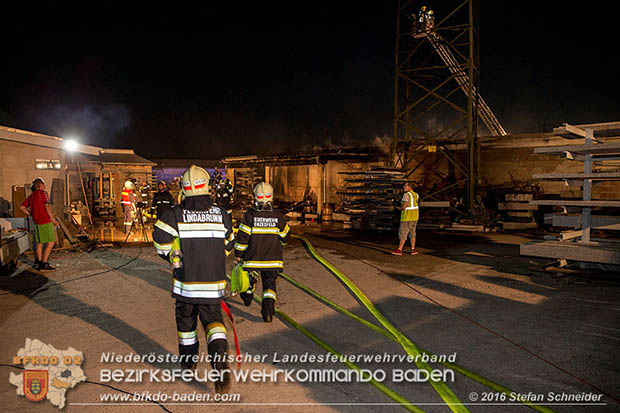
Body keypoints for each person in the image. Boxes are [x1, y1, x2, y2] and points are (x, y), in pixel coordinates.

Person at [152, 165, 235, 393]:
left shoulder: (175, 214)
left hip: (186, 285)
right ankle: (219, 363)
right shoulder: (222, 215)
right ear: (207, 186)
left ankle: (188, 364)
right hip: (213, 284)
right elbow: (229, 244)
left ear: (184, 188)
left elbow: (159, 238)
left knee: (186, 324)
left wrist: (170, 254)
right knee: (214, 323)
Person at [234, 182, 290, 322]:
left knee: (250, 279)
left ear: (255, 197)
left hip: (253, 258)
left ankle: (247, 298)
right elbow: (285, 236)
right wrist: (280, 244)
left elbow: (243, 237)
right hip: (273, 259)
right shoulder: (278, 216)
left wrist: (238, 253)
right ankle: (268, 313)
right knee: (269, 285)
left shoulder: (250, 215)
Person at [20, 178, 58, 271]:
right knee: (51, 242)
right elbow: (47, 207)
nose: (45, 186)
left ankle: (38, 262)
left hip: (36, 221)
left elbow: (21, 207)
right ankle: (44, 263)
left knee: (39, 242)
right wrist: (53, 219)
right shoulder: (43, 193)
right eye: (44, 184)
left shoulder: (32, 196)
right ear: (40, 185)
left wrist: (31, 213)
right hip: (45, 220)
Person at [392, 182, 419, 256]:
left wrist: (397, 208)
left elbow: (404, 207)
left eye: (405, 186)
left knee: (403, 233)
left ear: (409, 187)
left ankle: (399, 250)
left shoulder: (406, 195)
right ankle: (413, 249)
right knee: (413, 233)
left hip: (407, 217)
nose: (404, 187)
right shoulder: (416, 194)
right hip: (415, 216)